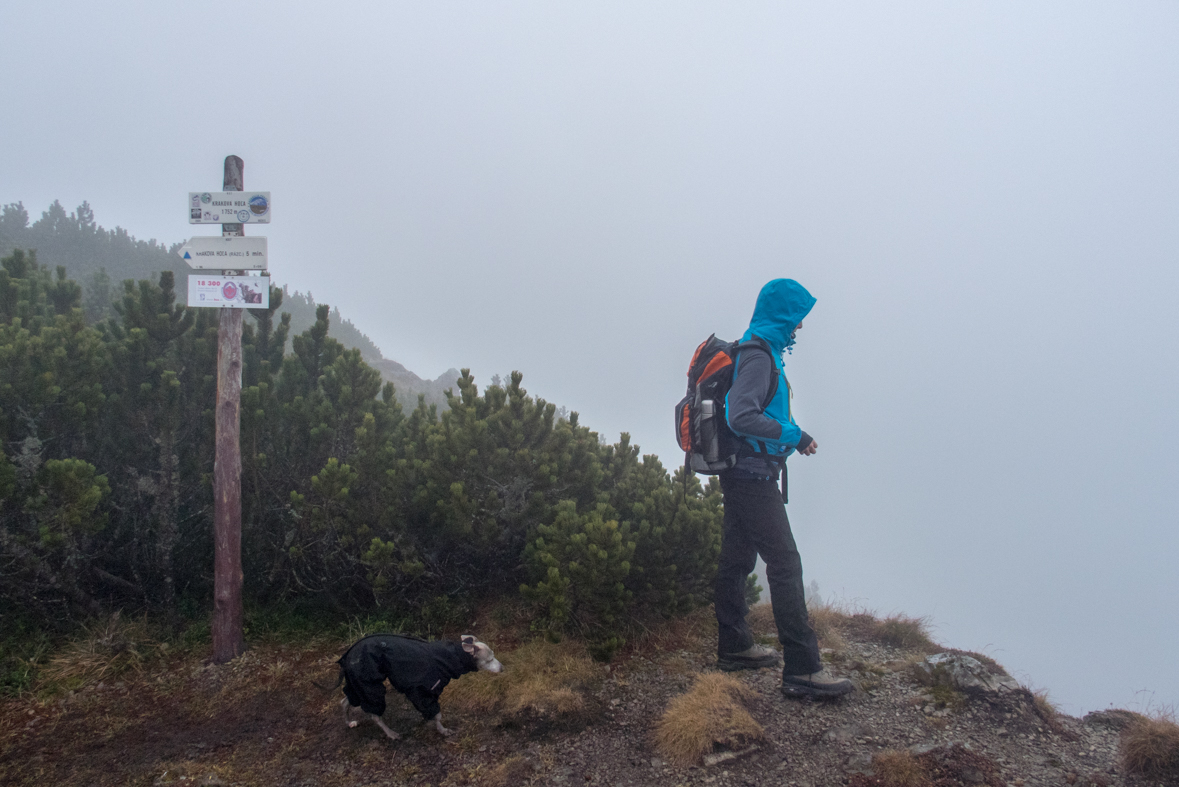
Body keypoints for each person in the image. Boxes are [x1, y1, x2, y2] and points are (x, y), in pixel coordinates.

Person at [714, 278, 853, 698]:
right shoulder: (758, 356)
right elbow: (741, 416)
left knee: (736, 560)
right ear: (781, 315)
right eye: (796, 318)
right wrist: (792, 435)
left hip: (745, 471)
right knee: (785, 565)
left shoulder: (759, 349)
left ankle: (734, 647)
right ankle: (802, 669)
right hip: (753, 475)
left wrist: (797, 436)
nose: (799, 327)